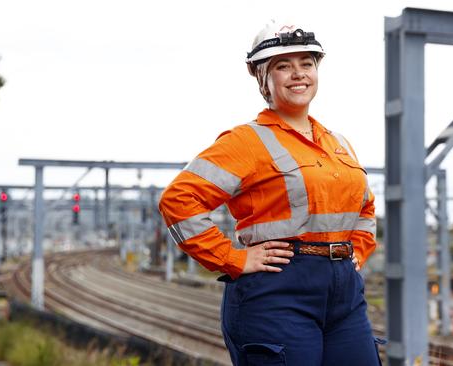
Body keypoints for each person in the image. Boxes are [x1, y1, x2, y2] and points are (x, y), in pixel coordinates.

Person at [159, 20, 381, 365]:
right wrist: (233, 258)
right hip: (278, 291)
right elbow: (178, 200)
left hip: (344, 293)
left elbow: (365, 207)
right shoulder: (246, 142)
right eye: (283, 66)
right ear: (264, 78)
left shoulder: (338, 144)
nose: (298, 74)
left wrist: (358, 251)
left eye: (306, 63)